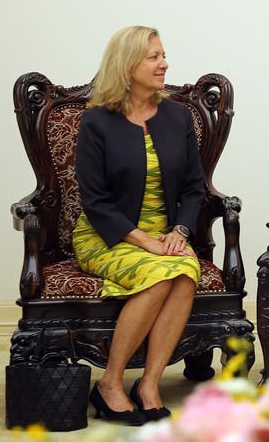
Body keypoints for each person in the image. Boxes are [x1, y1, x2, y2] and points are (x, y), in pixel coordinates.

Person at [73, 25, 205, 425]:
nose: (164, 64)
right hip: (107, 233)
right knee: (161, 275)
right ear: (127, 64)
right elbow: (95, 201)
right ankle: (110, 384)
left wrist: (180, 232)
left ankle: (148, 385)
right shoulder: (96, 122)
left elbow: (195, 188)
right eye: (154, 57)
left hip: (165, 233)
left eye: (163, 55)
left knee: (184, 271)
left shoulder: (178, 116)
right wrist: (144, 241)